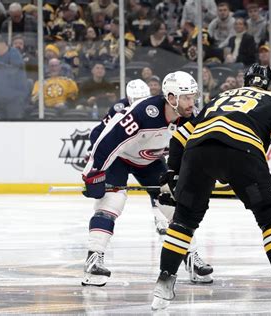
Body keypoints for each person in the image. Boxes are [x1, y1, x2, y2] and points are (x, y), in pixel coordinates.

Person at [151, 64, 271, 313]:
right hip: (243, 150)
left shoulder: (220, 98)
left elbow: (183, 133)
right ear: (270, 85)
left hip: (197, 152)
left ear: (246, 82)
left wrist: (172, 171)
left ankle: (163, 284)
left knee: (183, 221)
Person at [81, 73, 213, 287]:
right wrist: (94, 171)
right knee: (111, 202)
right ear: (171, 98)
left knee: (175, 207)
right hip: (120, 158)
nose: (192, 103)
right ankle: (93, 259)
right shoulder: (144, 112)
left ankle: (191, 257)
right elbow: (108, 140)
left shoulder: (191, 119)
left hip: (150, 161)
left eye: (193, 97)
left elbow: (196, 151)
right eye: (187, 97)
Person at [0, 34, 29, 119]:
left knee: (13, 125)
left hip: (15, 98)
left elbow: (14, 71)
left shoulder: (14, 53)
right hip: (0, 98)